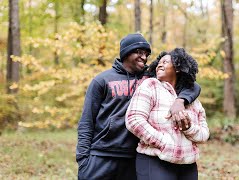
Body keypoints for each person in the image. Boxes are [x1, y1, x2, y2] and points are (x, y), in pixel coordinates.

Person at [76, 34, 201, 180]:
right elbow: (86, 122)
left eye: (146, 54)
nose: (144, 57)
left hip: (133, 156)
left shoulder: (151, 77)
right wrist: (83, 160)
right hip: (102, 154)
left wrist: (180, 101)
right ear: (126, 53)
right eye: (139, 52)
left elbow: (193, 86)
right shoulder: (102, 80)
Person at [125, 48, 210, 180]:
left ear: (177, 68)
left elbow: (204, 134)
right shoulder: (150, 86)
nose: (160, 64)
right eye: (159, 62)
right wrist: (164, 143)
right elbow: (134, 120)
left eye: (165, 62)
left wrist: (188, 128)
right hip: (155, 160)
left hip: (188, 164)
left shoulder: (192, 100)